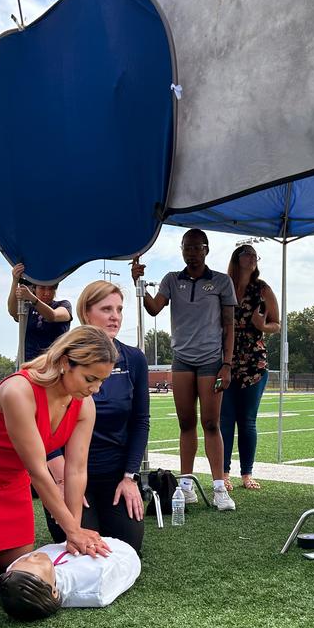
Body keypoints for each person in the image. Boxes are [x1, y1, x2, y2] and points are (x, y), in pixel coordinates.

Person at [0, 326, 116, 590]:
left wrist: (71, 531)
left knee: (13, 566)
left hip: (10, 480)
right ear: (65, 363)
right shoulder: (19, 390)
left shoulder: (84, 404)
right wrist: (73, 531)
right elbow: (39, 471)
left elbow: (75, 470)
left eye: (101, 381)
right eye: (90, 379)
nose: (96, 389)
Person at [131, 229, 237, 512]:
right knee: (186, 423)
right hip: (182, 359)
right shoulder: (170, 280)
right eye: (186, 248)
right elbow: (153, 309)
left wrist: (227, 364)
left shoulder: (221, 282)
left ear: (206, 249)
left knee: (211, 424)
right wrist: (138, 281)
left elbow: (229, 326)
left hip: (211, 359)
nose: (191, 252)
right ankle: (186, 486)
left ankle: (219, 488)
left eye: (196, 247)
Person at [43, 281, 150, 552]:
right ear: (86, 313)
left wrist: (130, 477)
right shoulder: (64, 358)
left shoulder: (134, 359)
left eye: (119, 309)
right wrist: (59, 477)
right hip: (68, 472)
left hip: (114, 475)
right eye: (106, 309)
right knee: (79, 547)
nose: (115, 316)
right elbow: (42, 421)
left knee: (127, 545)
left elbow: (140, 421)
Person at [220, 244, 280, 491]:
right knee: (225, 419)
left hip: (254, 361)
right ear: (237, 258)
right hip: (224, 360)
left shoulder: (262, 289)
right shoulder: (224, 286)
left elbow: (277, 323)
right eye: (247, 254)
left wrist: (262, 325)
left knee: (248, 420)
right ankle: (223, 473)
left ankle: (247, 474)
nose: (252, 258)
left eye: (255, 256)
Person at [0, 536, 141, 621]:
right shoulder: (98, 580)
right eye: (34, 563)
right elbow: (128, 557)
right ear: (53, 591)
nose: (31, 556)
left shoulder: (13, 571)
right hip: (116, 543)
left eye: (24, 561)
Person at [7, 263, 72, 361]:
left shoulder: (64, 305)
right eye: (42, 288)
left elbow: (52, 316)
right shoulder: (28, 308)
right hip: (29, 365)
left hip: (54, 366)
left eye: (51, 288)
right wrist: (15, 280)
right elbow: (12, 311)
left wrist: (32, 299)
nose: (47, 293)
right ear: (34, 288)